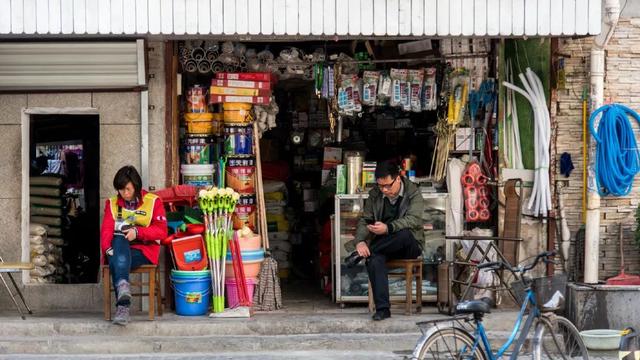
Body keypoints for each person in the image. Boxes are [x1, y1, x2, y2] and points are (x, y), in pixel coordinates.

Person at [346, 161, 423, 321]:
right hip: (384, 246)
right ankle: (383, 309)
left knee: (404, 234)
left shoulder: (413, 192)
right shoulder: (375, 194)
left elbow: (414, 220)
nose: (384, 190)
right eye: (381, 186)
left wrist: (388, 228)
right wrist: (360, 241)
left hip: (408, 245)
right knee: (374, 260)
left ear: (398, 178)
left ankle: (362, 254)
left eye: (388, 185)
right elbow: (365, 219)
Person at [100, 166, 167, 326]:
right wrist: (106, 249)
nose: (125, 193)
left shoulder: (153, 201)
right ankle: (123, 292)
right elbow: (107, 230)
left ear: (136, 186)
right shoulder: (112, 203)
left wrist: (137, 232)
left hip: (143, 251)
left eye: (128, 189)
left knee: (117, 259)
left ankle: (122, 307)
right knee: (118, 237)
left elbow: (162, 231)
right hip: (117, 248)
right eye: (121, 190)